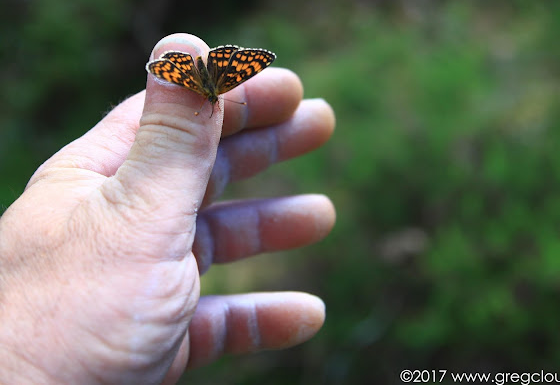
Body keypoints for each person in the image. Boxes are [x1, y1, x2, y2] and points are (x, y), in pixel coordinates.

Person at [0, 33, 336, 383]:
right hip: (214, 73)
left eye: (212, 101)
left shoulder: (212, 95)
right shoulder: (213, 92)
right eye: (211, 101)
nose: (211, 102)